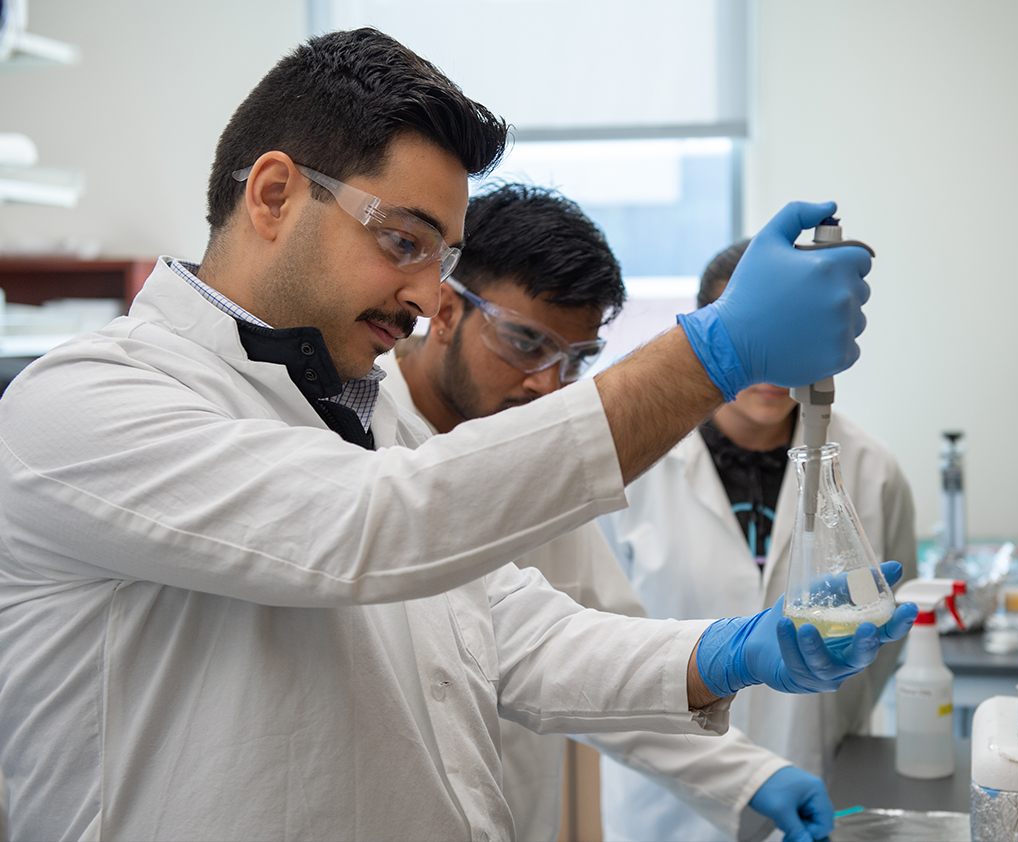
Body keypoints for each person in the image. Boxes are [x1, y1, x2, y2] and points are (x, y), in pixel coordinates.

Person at [0, 29, 913, 841]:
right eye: (404, 241)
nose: (431, 295)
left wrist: (726, 652)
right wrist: (709, 356)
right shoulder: (86, 404)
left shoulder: (365, 414)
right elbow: (372, 526)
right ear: (273, 195)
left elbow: (512, 633)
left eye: (443, 257)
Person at [383, 182, 848, 842]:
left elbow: (603, 659)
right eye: (524, 342)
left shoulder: (536, 459)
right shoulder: (358, 439)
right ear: (447, 309)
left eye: (576, 360)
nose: (548, 383)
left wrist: (749, 776)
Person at [597, 238, 919, 842]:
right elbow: (599, 646)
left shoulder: (874, 472)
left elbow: (881, 657)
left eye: (791, 338)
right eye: (754, 338)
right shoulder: (631, 471)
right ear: (704, 334)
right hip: (668, 812)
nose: (773, 365)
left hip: (816, 781)